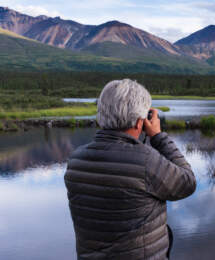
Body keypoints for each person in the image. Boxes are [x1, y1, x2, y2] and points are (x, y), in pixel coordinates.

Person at [64, 79, 196, 260]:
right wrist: (158, 137)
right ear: (139, 122)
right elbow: (187, 183)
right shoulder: (145, 161)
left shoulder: (76, 160)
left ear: (100, 115)